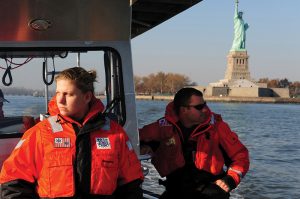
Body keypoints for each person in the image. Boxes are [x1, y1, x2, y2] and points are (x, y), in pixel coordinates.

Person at [0, 67, 144, 199]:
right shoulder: (41, 133)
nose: (60, 100)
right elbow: (13, 180)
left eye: (68, 94)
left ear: (87, 97)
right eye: (57, 93)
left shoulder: (115, 134)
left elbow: (131, 183)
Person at [139, 87, 249, 199]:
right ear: (184, 110)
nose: (205, 110)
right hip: (176, 190)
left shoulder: (218, 128)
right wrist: (146, 146)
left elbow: (241, 156)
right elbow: (135, 138)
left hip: (211, 191)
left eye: (205, 105)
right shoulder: (163, 127)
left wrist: (230, 179)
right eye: (199, 107)